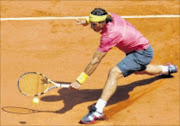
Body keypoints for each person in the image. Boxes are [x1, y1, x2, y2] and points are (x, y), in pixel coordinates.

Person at [70, 8, 178, 124]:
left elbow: (95, 60)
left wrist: (80, 80)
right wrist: (87, 20)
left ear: (102, 23)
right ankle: (167, 69)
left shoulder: (110, 35)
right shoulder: (111, 17)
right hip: (139, 48)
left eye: (94, 24)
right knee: (137, 70)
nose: (92, 27)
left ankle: (98, 111)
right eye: (91, 24)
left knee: (114, 72)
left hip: (142, 53)